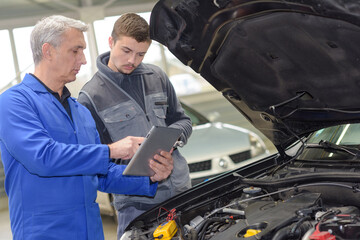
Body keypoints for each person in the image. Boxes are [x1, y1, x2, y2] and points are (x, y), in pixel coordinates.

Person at [0, 15, 174, 240]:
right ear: (48, 51)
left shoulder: (80, 112)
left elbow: (101, 173)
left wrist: (150, 174)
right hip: (44, 233)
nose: (83, 60)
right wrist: (112, 150)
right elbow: (43, 157)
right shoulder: (14, 102)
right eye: (76, 50)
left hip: (91, 232)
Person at [78, 13, 193, 238]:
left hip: (181, 192)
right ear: (111, 42)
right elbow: (98, 164)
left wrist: (173, 139)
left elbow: (183, 120)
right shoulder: (90, 98)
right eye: (126, 51)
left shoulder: (157, 76)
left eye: (141, 54)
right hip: (137, 207)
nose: (133, 60)